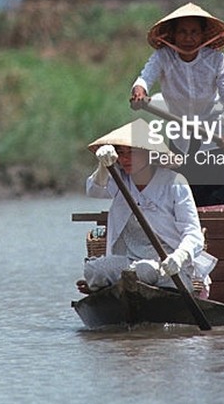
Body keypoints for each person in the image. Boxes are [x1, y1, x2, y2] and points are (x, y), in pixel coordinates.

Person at [77, 119, 216, 295]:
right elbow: (94, 190)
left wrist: (179, 257)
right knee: (94, 270)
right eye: (121, 153)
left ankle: (120, 284)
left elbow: (194, 234)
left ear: (149, 153)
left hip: (166, 265)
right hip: (128, 262)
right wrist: (104, 166)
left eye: (132, 152)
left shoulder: (175, 183)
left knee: (145, 270)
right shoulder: (118, 178)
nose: (125, 159)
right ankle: (117, 285)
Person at [129, 2, 224, 207]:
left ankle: (222, 237)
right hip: (180, 136)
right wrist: (139, 92)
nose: (188, 38)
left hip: (214, 137)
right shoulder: (163, 57)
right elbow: (145, 78)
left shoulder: (216, 60)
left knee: (219, 201)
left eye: (194, 32)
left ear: (202, 35)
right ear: (173, 35)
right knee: (183, 197)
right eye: (182, 32)